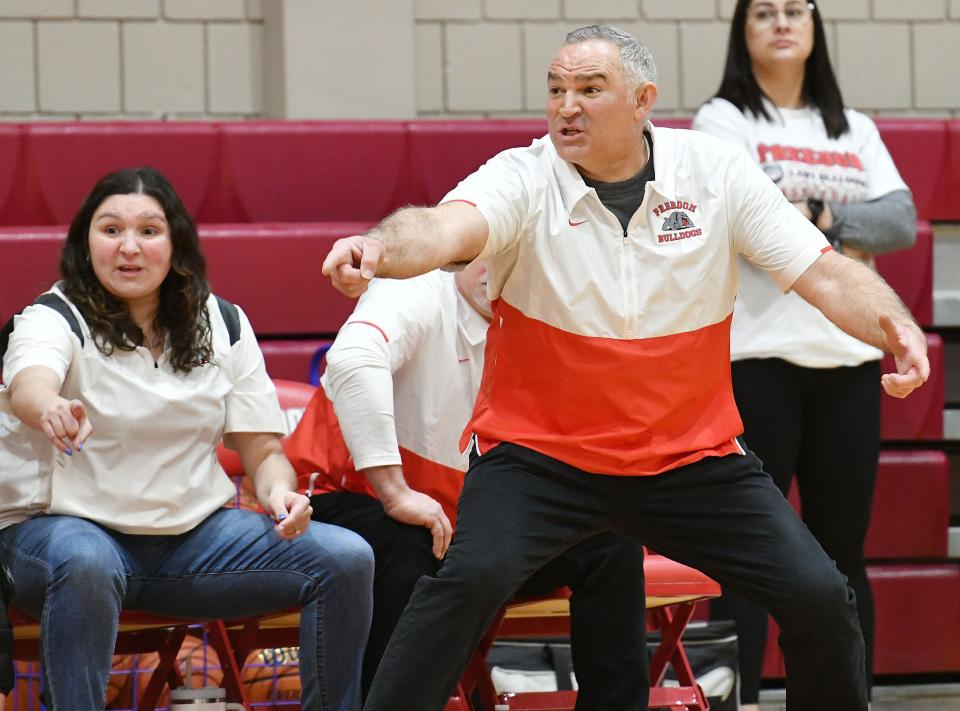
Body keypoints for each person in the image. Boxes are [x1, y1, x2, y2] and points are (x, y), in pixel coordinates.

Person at [322, 25, 928, 711]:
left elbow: (821, 271)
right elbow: (438, 228)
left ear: (644, 101)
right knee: (467, 580)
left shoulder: (715, 172)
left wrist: (894, 325)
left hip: (690, 459)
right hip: (541, 458)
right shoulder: (522, 176)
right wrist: (377, 246)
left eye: (589, 89)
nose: (566, 106)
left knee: (820, 593)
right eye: (556, 90)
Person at [0, 167, 374, 711]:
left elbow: (263, 449)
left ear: (175, 245)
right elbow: (32, 381)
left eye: (149, 231)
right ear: (86, 244)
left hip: (192, 543)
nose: (129, 247)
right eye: (110, 230)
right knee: (85, 562)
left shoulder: (223, 322)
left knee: (346, 558)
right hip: (62, 537)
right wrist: (51, 406)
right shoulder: (52, 315)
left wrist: (279, 495)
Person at [283, 261, 647, 705]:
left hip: (464, 520)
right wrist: (395, 492)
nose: (497, 272)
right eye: (485, 253)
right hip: (348, 501)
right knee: (410, 542)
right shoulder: (409, 292)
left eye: (515, 256)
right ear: (454, 250)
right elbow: (353, 362)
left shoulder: (548, 315)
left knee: (608, 545)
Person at [691, 2, 917, 707]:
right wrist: (838, 226)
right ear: (743, 31)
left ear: (816, 28)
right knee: (750, 557)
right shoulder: (722, 122)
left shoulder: (855, 128)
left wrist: (814, 216)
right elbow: (743, 221)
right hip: (757, 361)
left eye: (796, 10)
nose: (782, 22)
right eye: (764, 11)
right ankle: (741, 699)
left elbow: (900, 220)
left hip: (848, 363)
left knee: (842, 555)